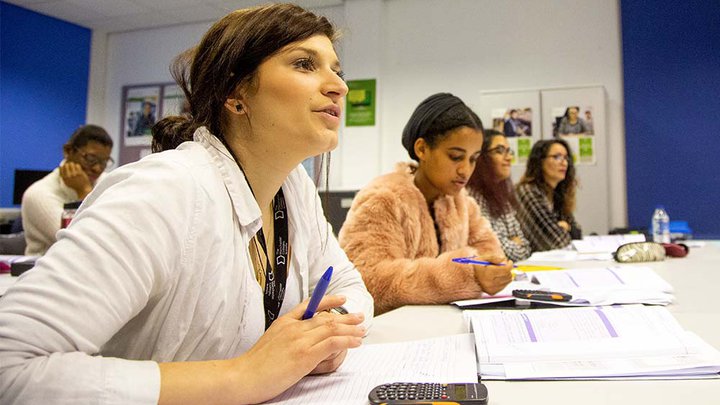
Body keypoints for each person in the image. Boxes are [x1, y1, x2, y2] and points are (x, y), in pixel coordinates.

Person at [0, 4, 374, 404]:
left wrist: (324, 333)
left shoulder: (294, 187)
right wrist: (242, 376)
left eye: (338, 70)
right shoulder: (165, 189)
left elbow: (350, 288)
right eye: (304, 64)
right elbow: (10, 365)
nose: (339, 86)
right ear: (235, 94)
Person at [339, 93, 513, 315]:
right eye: (455, 156)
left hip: (442, 327)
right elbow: (370, 282)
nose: (465, 170)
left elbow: (489, 253)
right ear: (422, 149)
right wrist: (465, 273)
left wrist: (493, 270)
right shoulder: (383, 198)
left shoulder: (462, 203)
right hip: (390, 335)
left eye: (472, 159)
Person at [21, 124, 114, 256]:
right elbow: (82, 242)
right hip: (49, 272)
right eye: (91, 159)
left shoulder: (106, 182)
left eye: (104, 162)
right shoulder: (38, 194)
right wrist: (84, 191)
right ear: (68, 151)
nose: (97, 169)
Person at [467, 129, 532, 262]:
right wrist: (514, 242)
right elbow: (493, 251)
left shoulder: (502, 194)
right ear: (481, 157)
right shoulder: (472, 197)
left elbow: (525, 247)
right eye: (499, 151)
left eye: (509, 151)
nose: (508, 157)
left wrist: (513, 243)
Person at [516, 139, 582, 251]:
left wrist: (567, 228)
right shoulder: (528, 192)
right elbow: (556, 241)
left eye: (566, 158)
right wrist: (563, 228)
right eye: (557, 157)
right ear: (540, 162)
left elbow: (577, 233)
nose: (564, 163)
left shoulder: (557, 193)